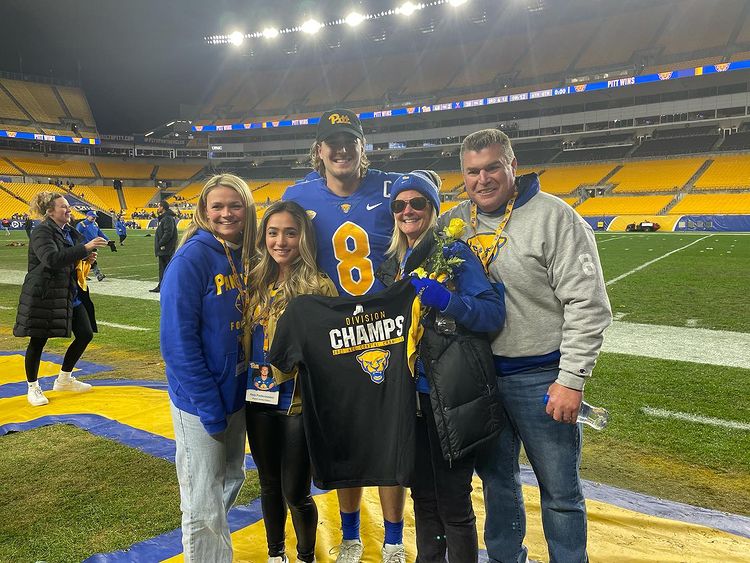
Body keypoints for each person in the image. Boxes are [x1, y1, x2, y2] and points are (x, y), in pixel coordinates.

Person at [438, 129, 612, 563]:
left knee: (559, 492)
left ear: (512, 165)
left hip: (541, 378)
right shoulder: (454, 220)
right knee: (497, 485)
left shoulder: (555, 217)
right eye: (472, 171)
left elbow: (588, 305)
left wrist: (571, 380)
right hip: (479, 379)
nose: (483, 179)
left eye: (493, 167)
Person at [283, 108, 406, 563]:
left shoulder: (393, 187)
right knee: (346, 436)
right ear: (319, 151)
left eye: (349, 141)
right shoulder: (298, 195)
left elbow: (427, 210)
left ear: (362, 147)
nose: (340, 149)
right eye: (331, 142)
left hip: (389, 331)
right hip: (334, 335)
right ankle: (352, 536)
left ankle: (393, 541)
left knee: (392, 439)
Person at [375, 171, 505, 563]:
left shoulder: (455, 253)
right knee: (423, 495)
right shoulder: (391, 264)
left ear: (432, 209)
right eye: (400, 205)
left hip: (448, 395)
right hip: (408, 398)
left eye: (417, 203)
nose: (408, 210)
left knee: (452, 499)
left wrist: (448, 303)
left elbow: (492, 314)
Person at [160, 174, 256, 563]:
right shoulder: (190, 259)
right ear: (203, 210)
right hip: (202, 400)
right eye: (217, 206)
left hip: (235, 394)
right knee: (202, 501)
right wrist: (208, 404)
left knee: (232, 478)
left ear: (247, 209)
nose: (226, 213)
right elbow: (177, 345)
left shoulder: (244, 251)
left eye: (235, 205)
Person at [245, 200, 337, 563]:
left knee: (295, 491)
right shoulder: (253, 281)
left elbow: (333, 351)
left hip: (298, 404)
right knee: (268, 485)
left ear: (304, 237)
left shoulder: (318, 285)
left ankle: (304, 556)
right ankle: (275, 554)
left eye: (290, 232)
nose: (280, 241)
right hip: (258, 399)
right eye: (272, 232)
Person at [14, 192, 108, 406]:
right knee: (38, 340)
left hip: (68, 291)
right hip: (44, 293)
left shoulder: (69, 231)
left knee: (84, 334)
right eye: (63, 206)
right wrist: (85, 248)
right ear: (50, 211)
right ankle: (33, 387)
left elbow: (72, 257)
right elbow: (52, 259)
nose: (68, 210)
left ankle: (64, 379)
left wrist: (87, 259)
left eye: (68, 206)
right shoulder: (41, 232)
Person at [150, 200, 178, 293]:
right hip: (165, 248)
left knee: (165, 268)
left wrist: (161, 243)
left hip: (165, 248)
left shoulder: (167, 218)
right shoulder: (166, 218)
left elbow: (168, 233)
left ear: (163, 207)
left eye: (159, 206)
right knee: (165, 268)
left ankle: (164, 286)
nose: (157, 208)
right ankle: (163, 285)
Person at [76, 210, 108, 281]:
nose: (94, 218)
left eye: (95, 217)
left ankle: (85, 275)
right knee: (86, 260)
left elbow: (100, 233)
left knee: (90, 260)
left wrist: (108, 240)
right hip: (85, 246)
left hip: (93, 245)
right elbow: (77, 235)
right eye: (93, 216)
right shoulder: (81, 224)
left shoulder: (95, 224)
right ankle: (97, 275)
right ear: (87, 216)